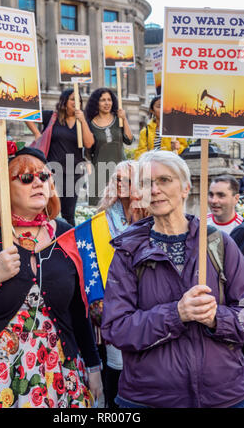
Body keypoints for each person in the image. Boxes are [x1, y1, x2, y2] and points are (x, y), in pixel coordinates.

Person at [0, 146, 102, 408]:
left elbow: (77, 309)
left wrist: (94, 365)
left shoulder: (65, 234)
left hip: (59, 376)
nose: (39, 183)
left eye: (44, 177)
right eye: (27, 178)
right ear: (5, 188)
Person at [101, 149, 244, 408]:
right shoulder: (128, 251)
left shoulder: (218, 243)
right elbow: (116, 329)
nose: (154, 190)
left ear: (186, 188)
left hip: (224, 397)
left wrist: (217, 319)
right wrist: (176, 314)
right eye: (146, 183)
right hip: (150, 399)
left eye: (164, 180)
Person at [93, 160, 148, 408]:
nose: (119, 183)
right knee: (115, 367)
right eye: (116, 178)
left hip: (145, 301)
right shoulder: (101, 221)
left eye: (126, 179)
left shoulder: (152, 218)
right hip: (110, 300)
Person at [26, 90, 94, 226]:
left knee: (68, 213)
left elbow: (89, 143)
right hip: (52, 171)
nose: (77, 103)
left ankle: (69, 243)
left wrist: (83, 121)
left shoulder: (82, 121)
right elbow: (28, 115)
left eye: (79, 100)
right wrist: (37, 134)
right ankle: (48, 241)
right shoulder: (52, 117)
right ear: (64, 102)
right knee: (50, 210)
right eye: (73, 99)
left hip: (73, 172)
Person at [85, 88, 133, 206]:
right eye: (103, 100)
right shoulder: (89, 124)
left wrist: (124, 118)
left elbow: (129, 139)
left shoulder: (119, 120)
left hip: (120, 170)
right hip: (99, 171)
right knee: (100, 208)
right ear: (96, 103)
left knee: (123, 205)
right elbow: (87, 152)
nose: (107, 103)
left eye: (109, 100)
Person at [134, 95, 187, 160]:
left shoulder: (176, 128)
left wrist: (178, 148)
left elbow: (184, 147)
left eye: (165, 106)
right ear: (152, 110)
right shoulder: (145, 131)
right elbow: (140, 153)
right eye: (159, 106)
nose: (163, 109)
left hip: (170, 166)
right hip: (153, 167)